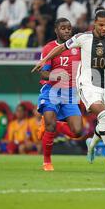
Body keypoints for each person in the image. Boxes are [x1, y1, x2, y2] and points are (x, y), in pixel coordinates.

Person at [32, 7, 105, 164]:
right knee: (102, 115)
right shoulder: (82, 38)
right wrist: (44, 60)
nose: (104, 28)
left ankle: (91, 145)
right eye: (101, 25)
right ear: (94, 24)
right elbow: (61, 48)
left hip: (104, 84)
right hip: (84, 85)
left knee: (100, 123)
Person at [36, 18, 83, 171]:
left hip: (70, 93)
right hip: (51, 91)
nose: (67, 31)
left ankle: (58, 126)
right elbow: (43, 74)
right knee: (50, 124)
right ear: (56, 30)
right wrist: (56, 76)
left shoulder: (78, 47)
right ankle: (47, 161)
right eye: (63, 28)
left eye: (69, 28)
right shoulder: (49, 48)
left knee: (77, 132)